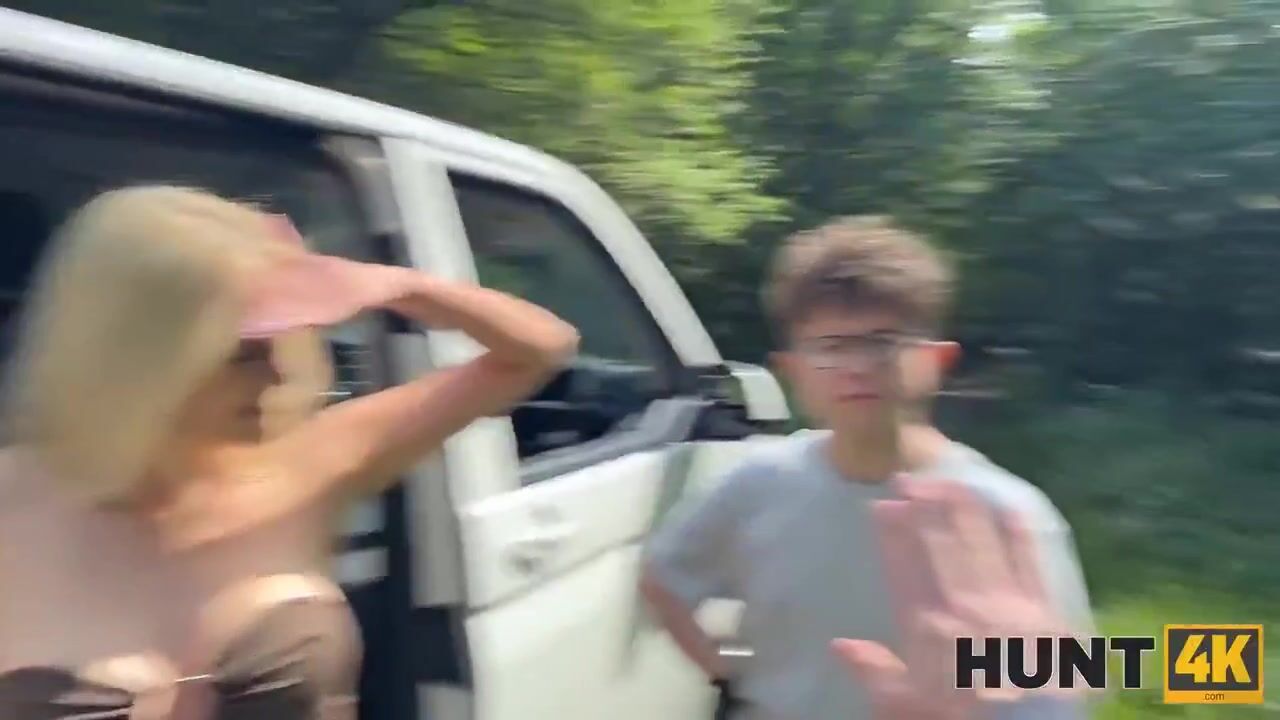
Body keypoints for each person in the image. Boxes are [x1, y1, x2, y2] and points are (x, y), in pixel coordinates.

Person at [0, 186, 579, 719]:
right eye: (242, 353)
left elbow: (540, 351)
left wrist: (401, 287)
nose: (280, 374)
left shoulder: (311, 462)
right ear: (137, 356)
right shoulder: (14, 498)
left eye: (285, 341)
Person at [640, 216, 1093, 719]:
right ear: (793, 370)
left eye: (883, 342)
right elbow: (663, 579)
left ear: (937, 361)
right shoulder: (756, 483)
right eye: (831, 347)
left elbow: (1059, 696)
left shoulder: (1005, 514)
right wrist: (727, 679)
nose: (857, 367)